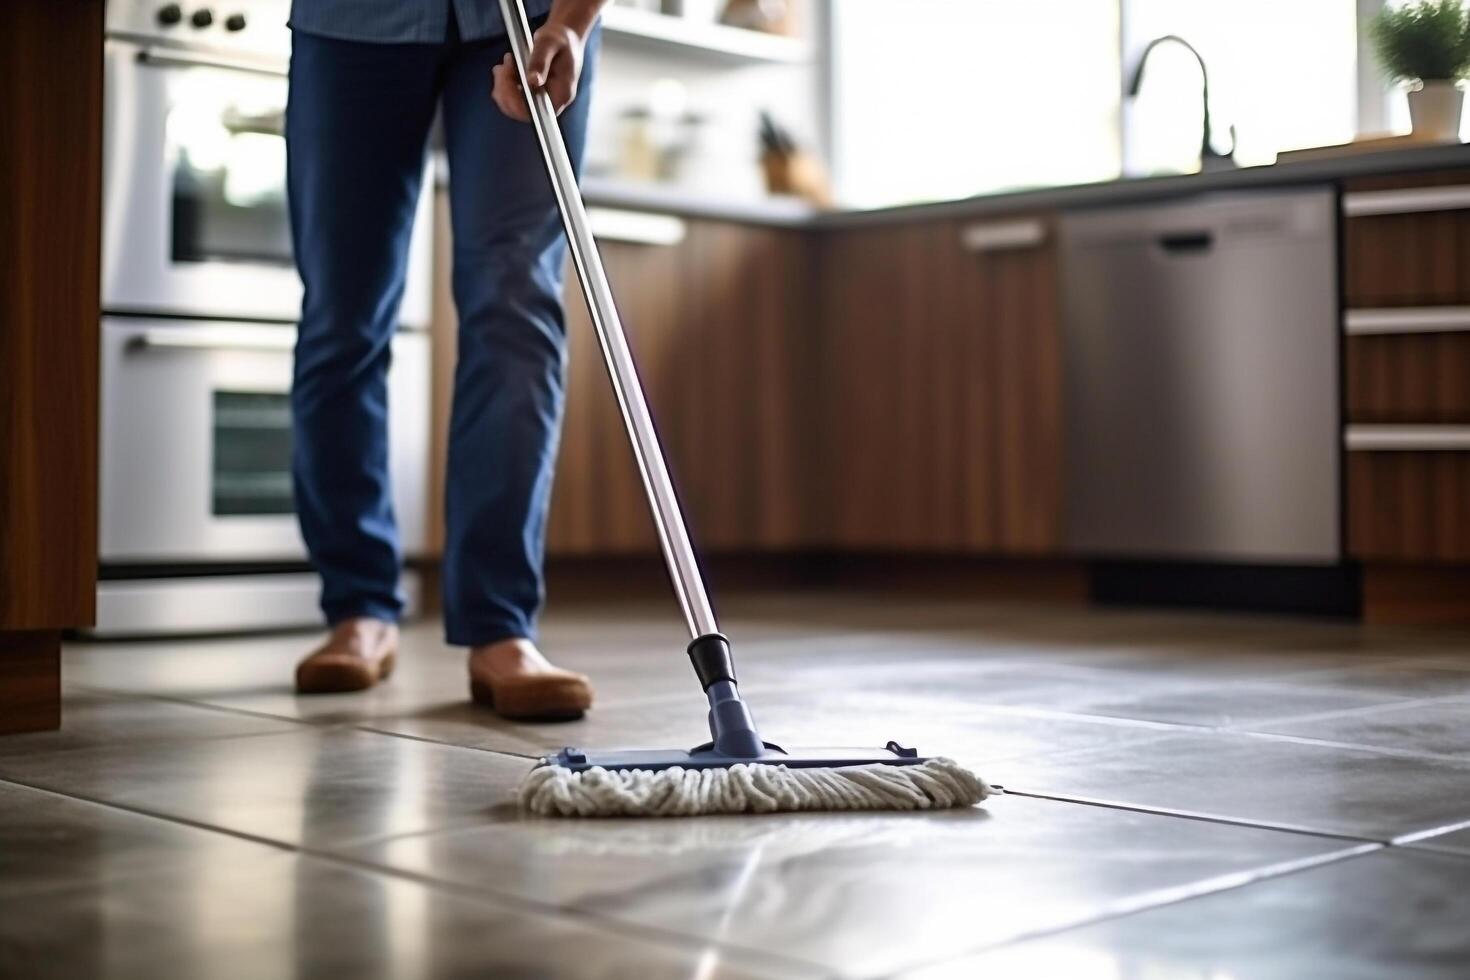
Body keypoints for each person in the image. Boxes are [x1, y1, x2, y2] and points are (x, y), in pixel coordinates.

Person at [285, 0, 608, 720]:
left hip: (528, 19)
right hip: (351, 24)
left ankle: (501, 627)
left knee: (516, 305)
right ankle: (358, 607)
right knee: (342, 315)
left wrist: (575, 23)